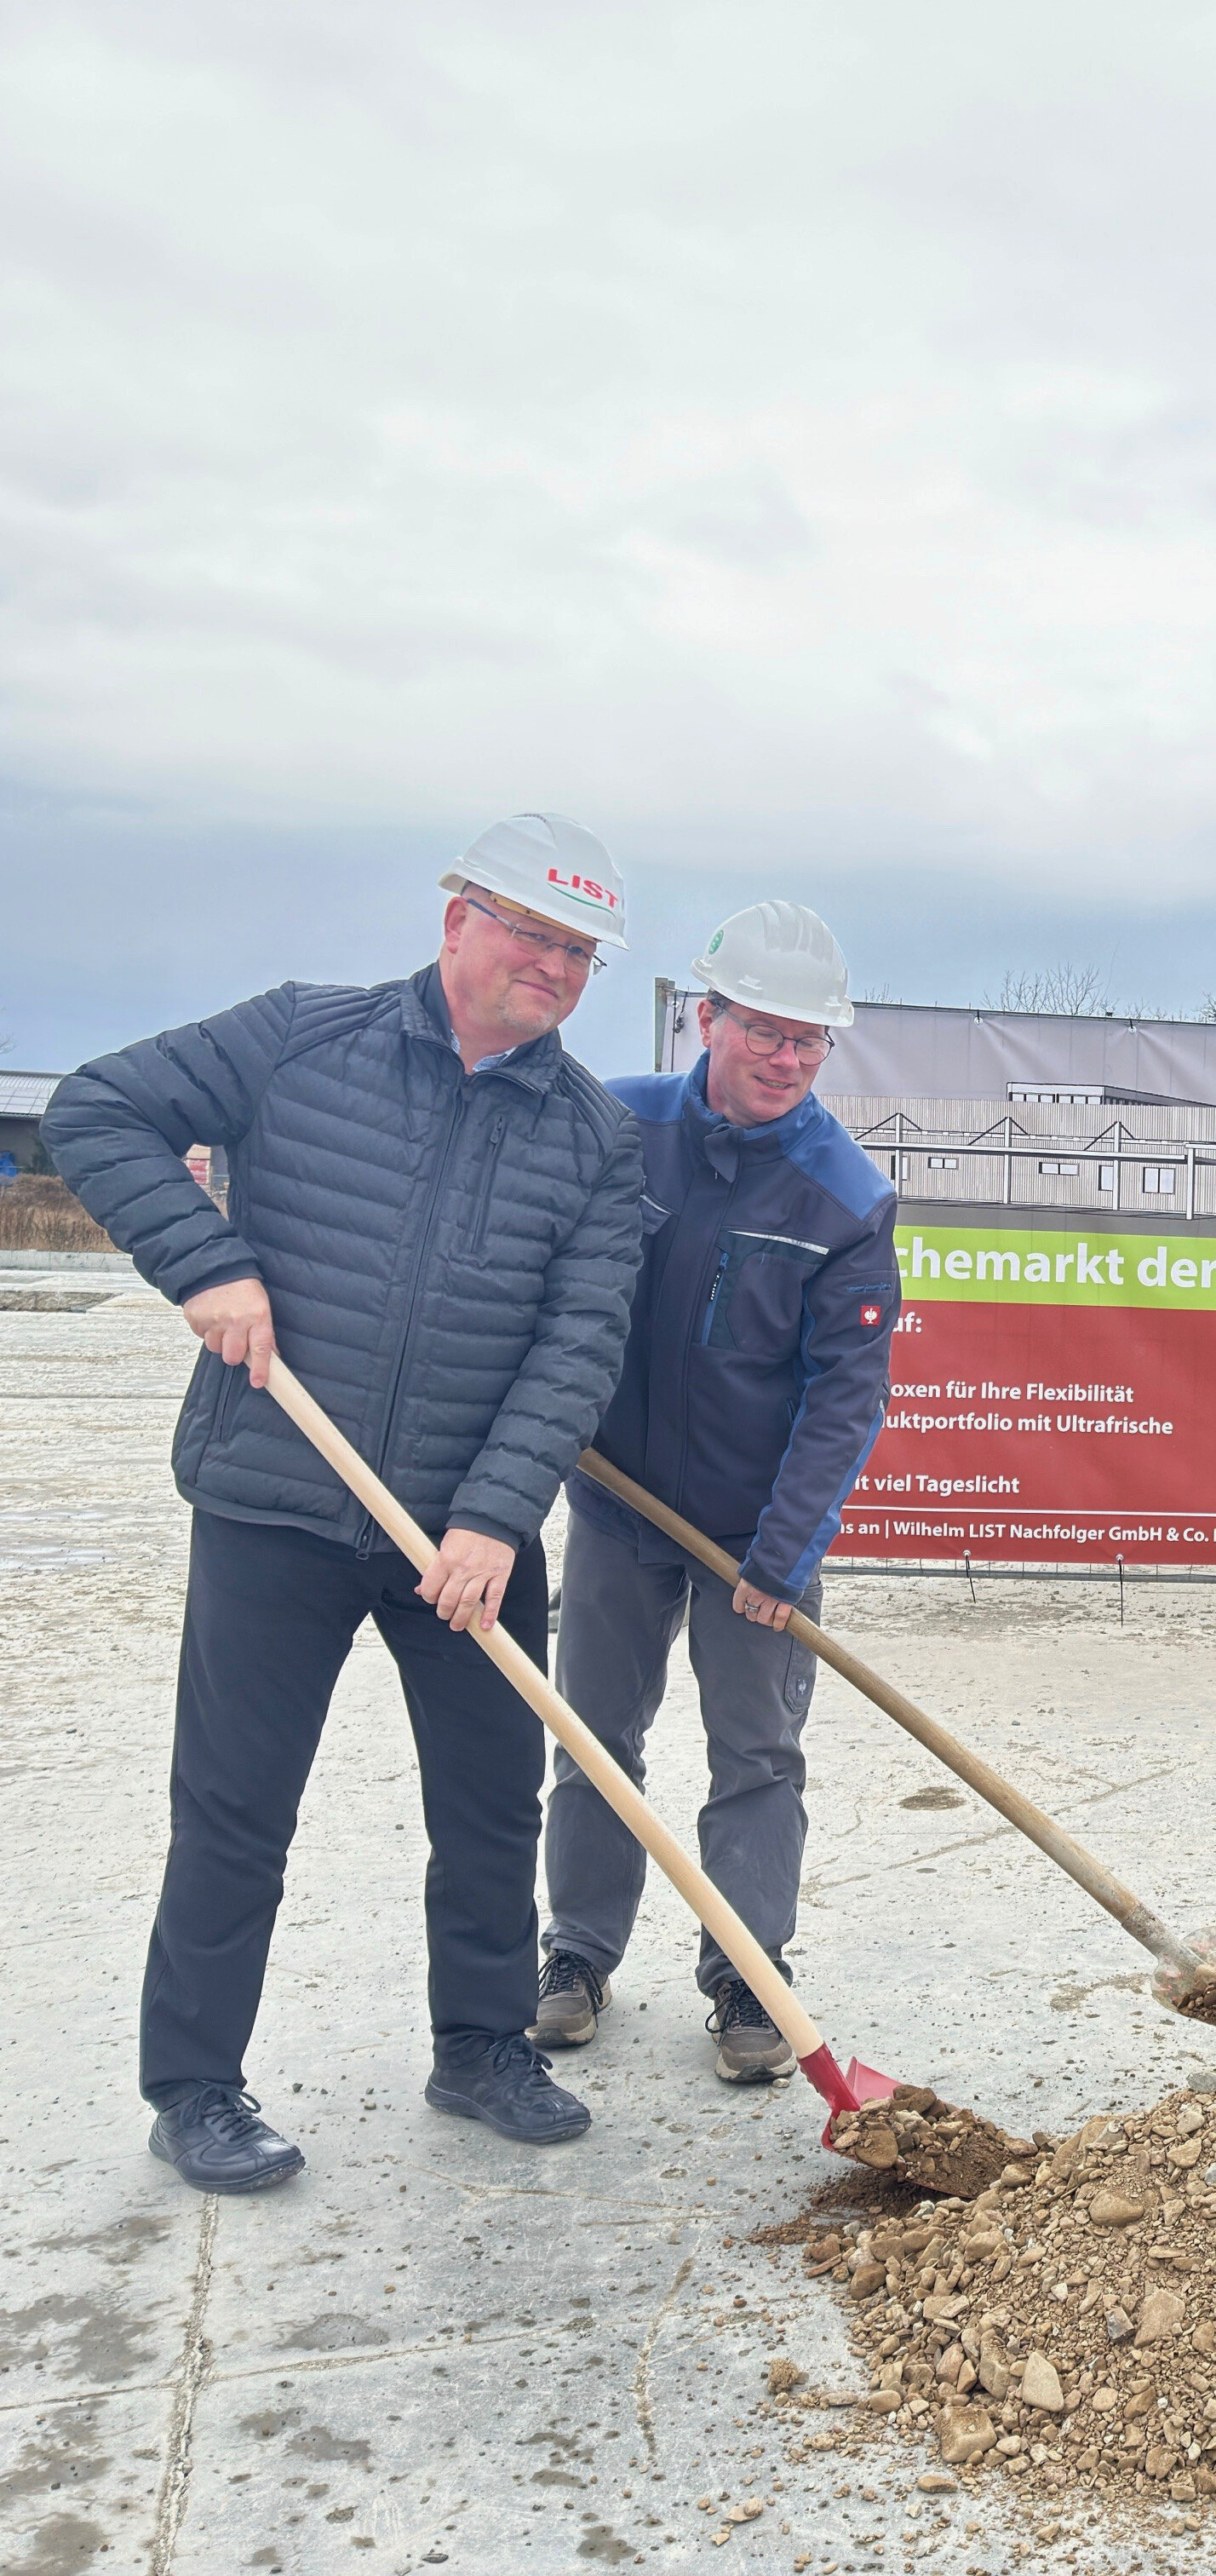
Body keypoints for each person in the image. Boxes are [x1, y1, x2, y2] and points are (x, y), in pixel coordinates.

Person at [43, 816, 643, 2194]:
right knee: (236, 1804)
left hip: (467, 1531)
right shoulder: (302, 1035)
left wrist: (496, 1517)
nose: (552, 965)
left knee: (492, 1800)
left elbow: (577, 1342)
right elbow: (96, 1107)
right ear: (456, 919)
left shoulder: (594, 1137)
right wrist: (203, 1259)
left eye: (577, 950)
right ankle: (195, 2084)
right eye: (530, 932)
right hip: (275, 1502)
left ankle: (482, 2041)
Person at [535, 901, 900, 2081]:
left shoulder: (845, 1195)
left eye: (810, 1040)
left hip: (754, 1533)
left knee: (757, 1755)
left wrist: (782, 1557)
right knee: (595, 1740)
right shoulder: (621, 1130)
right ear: (710, 1017)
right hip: (614, 1506)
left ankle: (747, 1972)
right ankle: (577, 1954)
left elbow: (845, 1395)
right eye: (767, 1031)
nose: (788, 1059)